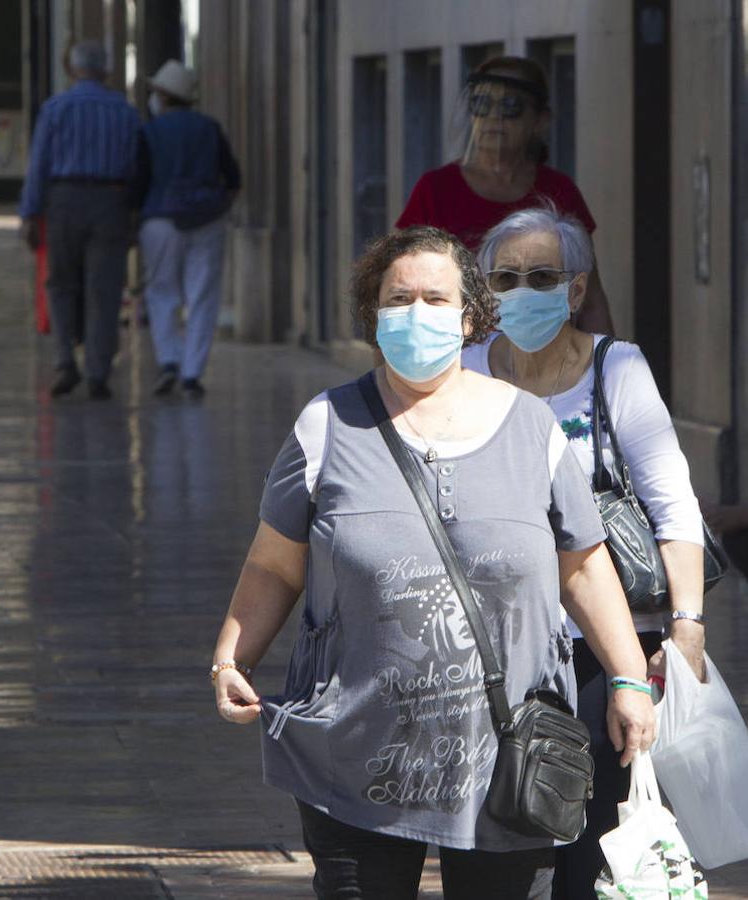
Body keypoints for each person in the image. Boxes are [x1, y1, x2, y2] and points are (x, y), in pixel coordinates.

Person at [211, 225, 657, 899]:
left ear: (470, 316)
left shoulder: (530, 429)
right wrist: (230, 660)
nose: (416, 313)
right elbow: (274, 565)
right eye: (398, 298)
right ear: (372, 312)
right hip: (356, 754)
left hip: (503, 759)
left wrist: (627, 679)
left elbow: (583, 566)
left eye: (434, 298)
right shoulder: (326, 426)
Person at [466, 206, 705, 899]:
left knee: (594, 845)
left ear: (574, 290)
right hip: (496, 646)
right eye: (504, 277)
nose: (521, 290)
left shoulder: (615, 368)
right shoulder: (464, 371)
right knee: (498, 843)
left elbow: (672, 504)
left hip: (606, 644)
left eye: (540, 276)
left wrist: (685, 623)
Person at [396, 56, 614, 336]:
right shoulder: (435, 189)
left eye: (511, 107)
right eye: (482, 105)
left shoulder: (559, 191)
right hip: (458, 360)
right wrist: (387, 376)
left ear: (540, 120)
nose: (493, 118)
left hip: (547, 359)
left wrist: (605, 367)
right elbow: (396, 288)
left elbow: (591, 300)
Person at [19, 40, 141, 400]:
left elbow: (38, 163)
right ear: (106, 70)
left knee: (60, 284)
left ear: (72, 70)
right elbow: (136, 167)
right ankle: (98, 371)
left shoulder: (56, 109)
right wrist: (132, 214)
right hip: (111, 200)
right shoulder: (125, 112)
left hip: (63, 200)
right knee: (104, 290)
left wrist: (29, 213)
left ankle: (64, 363)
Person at [130, 59, 239, 399]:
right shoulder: (209, 128)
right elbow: (233, 178)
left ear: (162, 95)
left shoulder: (150, 131)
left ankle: (169, 362)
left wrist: (135, 219)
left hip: (159, 220)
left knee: (161, 292)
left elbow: (139, 181)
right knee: (203, 295)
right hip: (206, 219)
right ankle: (192, 373)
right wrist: (219, 206)